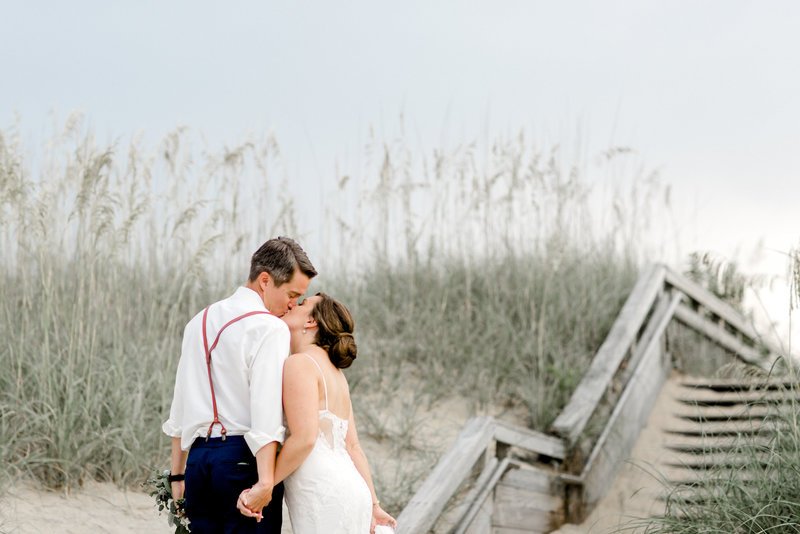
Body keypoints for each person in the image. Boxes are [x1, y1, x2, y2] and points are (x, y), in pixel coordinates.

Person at [162, 236, 317, 533]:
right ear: (265, 280)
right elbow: (265, 411)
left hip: (198, 462)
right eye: (291, 294)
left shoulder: (198, 321)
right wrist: (266, 481)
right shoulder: (269, 327)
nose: (293, 305)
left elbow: (179, 407)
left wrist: (177, 475)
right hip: (244, 460)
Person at [238, 293, 397, 533]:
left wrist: (265, 486)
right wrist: (373, 503)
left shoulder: (300, 363)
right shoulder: (336, 374)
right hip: (353, 491)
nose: (293, 304)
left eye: (302, 304)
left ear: (311, 321)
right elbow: (353, 447)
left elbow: (304, 439)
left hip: (323, 492)